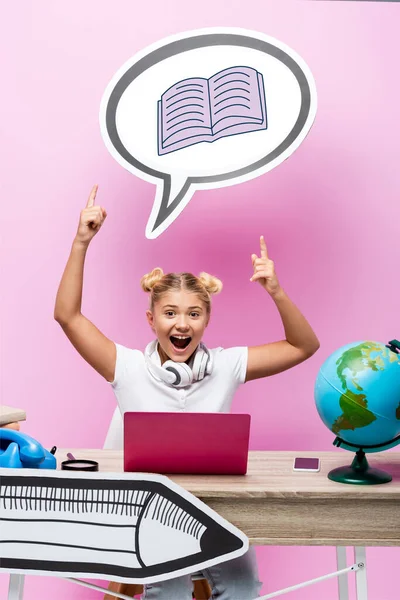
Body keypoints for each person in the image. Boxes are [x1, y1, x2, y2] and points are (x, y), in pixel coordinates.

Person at [54, 185, 320, 599]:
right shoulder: (125, 366)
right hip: (148, 510)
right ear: (151, 319)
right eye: (171, 313)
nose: (183, 324)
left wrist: (276, 291)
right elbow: (67, 316)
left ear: (206, 319)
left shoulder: (227, 365)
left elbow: (303, 346)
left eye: (194, 314)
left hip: (214, 508)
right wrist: (81, 242)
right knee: (170, 587)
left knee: (244, 584)